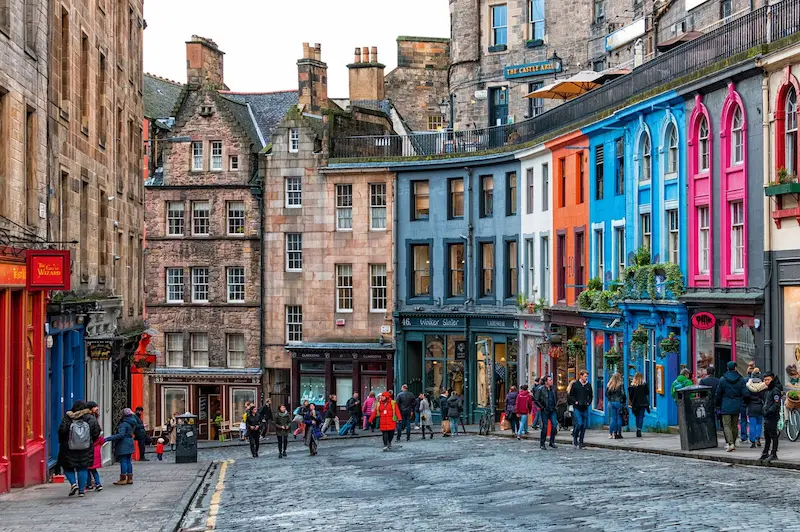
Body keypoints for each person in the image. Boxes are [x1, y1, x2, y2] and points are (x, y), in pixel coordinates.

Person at [57, 400, 102, 497]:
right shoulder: (90, 418)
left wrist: (64, 442)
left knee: (67, 467)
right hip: (86, 448)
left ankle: (73, 484)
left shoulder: (68, 418)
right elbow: (96, 432)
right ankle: (81, 491)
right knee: (83, 467)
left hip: (68, 448)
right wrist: (89, 441)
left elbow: (62, 430)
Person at [717, 360, 746, 452]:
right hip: (737, 404)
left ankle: (730, 443)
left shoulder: (722, 379)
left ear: (727, 368)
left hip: (725, 404)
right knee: (734, 425)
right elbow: (745, 393)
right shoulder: (740, 379)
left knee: (726, 425)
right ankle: (733, 441)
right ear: (735, 368)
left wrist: (717, 404)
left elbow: (718, 393)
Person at [105, 408, 137, 486]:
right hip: (130, 442)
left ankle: (123, 478)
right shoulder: (132, 422)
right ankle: (130, 478)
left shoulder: (124, 424)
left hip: (124, 443)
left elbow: (121, 435)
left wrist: (108, 439)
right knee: (128, 460)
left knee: (123, 461)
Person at [760, 372, 783, 462]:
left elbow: (776, 404)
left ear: (772, 379)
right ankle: (765, 452)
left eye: (768, 380)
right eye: (765, 380)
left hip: (772, 416)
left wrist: (769, 411)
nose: (766, 382)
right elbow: (766, 402)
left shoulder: (775, 390)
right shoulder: (768, 390)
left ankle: (773, 453)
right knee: (767, 435)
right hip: (767, 416)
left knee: (773, 435)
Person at [568, 370, 593, 448]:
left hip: (585, 407)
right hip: (577, 407)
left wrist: (589, 402)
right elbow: (571, 395)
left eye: (587, 376)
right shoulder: (575, 385)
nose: (586, 378)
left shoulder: (588, 385)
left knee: (584, 426)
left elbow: (591, 395)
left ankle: (581, 442)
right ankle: (575, 437)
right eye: (585, 376)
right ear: (581, 376)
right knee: (579, 423)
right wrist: (575, 402)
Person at [84, 401, 103, 492]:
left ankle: (89, 484)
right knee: (93, 469)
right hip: (95, 448)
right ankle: (97, 484)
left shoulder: (89, 418)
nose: (97, 408)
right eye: (95, 407)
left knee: (88, 468)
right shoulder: (94, 418)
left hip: (89, 447)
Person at [745, 369, 766, 448]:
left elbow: (746, 397)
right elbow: (764, 397)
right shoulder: (763, 386)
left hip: (751, 406)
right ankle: (758, 438)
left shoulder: (748, 386)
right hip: (760, 406)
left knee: (752, 424)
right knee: (759, 423)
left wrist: (747, 403)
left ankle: (752, 441)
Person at [536, 376, 559, 450]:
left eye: (551, 380)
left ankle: (552, 442)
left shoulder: (553, 388)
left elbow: (556, 397)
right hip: (545, 410)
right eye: (550, 380)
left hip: (552, 409)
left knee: (554, 425)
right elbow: (536, 400)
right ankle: (542, 443)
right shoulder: (540, 389)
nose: (551, 381)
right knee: (545, 427)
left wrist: (556, 405)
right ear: (546, 382)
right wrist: (541, 407)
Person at [606, 373, 627, 439]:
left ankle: (612, 433)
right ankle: (618, 433)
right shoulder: (621, 385)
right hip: (619, 402)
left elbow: (606, 394)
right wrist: (623, 401)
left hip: (611, 402)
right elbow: (623, 394)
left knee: (613, 418)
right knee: (619, 418)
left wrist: (610, 399)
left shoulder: (609, 385)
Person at [628, 372, 650, 438]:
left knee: (637, 416)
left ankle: (637, 427)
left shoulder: (633, 386)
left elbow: (630, 395)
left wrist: (632, 402)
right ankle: (639, 429)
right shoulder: (644, 384)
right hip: (643, 403)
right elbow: (647, 393)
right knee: (641, 416)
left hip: (635, 403)